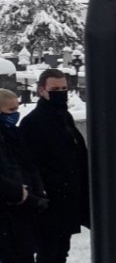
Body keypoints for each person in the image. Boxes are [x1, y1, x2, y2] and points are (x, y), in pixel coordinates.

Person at [19, 69, 89, 263]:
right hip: (50, 201)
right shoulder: (32, 123)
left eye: (64, 88)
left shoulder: (64, 117)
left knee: (60, 251)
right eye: (55, 89)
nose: (61, 93)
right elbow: (30, 165)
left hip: (68, 198)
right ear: (42, 90)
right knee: (49, 252)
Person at [0, 88, 47, 263]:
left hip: (21, 215)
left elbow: (28, 167)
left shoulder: (14, 134)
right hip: (9, 213)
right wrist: (21, 193)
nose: (16, 114)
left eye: (17, 109)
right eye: (11, 110)